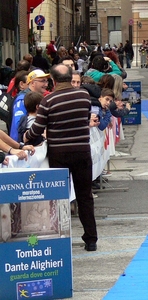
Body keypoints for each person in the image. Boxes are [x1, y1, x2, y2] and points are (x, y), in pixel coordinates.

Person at [24, 64, 98, 251]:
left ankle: (60, 239)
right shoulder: (84, 96)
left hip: (59, 154)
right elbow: (84, 118)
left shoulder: (48, 102)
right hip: (82, 151)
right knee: (85, 196)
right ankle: (91, 239)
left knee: (59, 197)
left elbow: (37, 130)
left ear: (53, 81)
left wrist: (26, 136)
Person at [10, 69, 50, 141]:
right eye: (42, 81)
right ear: (32, 83)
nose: (46, 84)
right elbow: (19, 124)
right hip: (22, 144)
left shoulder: (38, 97)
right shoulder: (22, 99)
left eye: (46, 81)